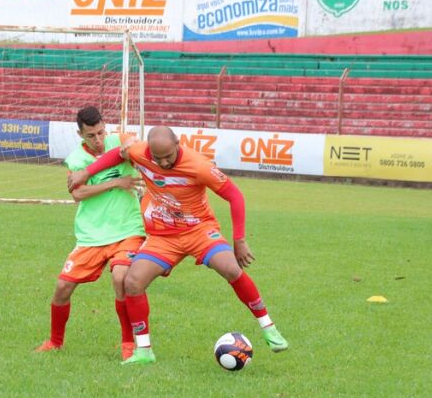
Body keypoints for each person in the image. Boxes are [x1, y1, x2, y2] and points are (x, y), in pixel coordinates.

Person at [68, 125, 289, 365]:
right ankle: (144, 351)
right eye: (157, 158)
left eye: (168, 157)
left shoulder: (199, 166)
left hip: (199, 231)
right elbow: (119, 154)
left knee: (230, 269)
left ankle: (268, 327)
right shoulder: (140, 151)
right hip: (163, 236)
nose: (163, 163)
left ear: (178, 143)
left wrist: (240, 240)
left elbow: (234, 195)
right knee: (132, 282)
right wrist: (85, 172)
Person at [35, 106, 146, 360]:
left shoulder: (118, 140)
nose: (97, 141)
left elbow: (130, 145)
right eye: (91, 136)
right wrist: (116, 182)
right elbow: (77, 194)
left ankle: (128, 343)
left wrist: (127, 146)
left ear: (105, 126)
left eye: (100, 133)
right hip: (91, 235)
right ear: (80, 134)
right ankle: (55, 342)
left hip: (127, 229)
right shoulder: (76, 159)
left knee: (121, 278)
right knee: (62, 287)